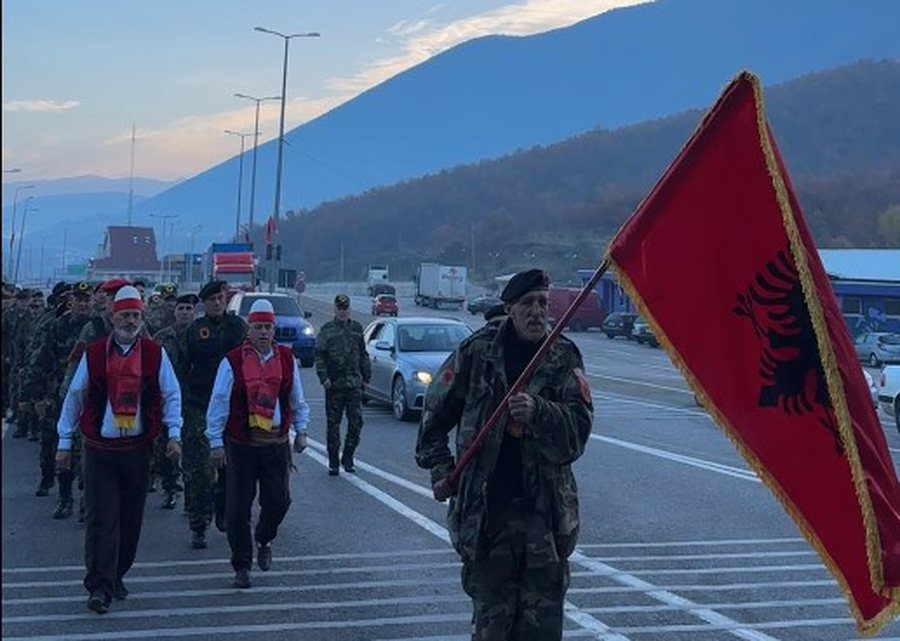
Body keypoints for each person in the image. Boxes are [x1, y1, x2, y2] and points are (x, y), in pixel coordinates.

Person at [415, 269, 593, 640]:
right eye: (527, 303)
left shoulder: (562, 356)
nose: (536, 312)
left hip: (544, 521)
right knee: (491, 628)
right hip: (488, 519)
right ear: (510, 308)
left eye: (543, 303)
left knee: (542, 630)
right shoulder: (477, 352)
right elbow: (433, 418)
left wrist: (540, 411)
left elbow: (578, 434)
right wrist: (440, 469)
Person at [56, 285, 182, 614]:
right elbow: (75, 397)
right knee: (102, 518)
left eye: (135, 315)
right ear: (113, 318)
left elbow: (171, 394)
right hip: (100, 450)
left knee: (130, 519)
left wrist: (174, 434)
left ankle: (117, 573)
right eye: (124, 315)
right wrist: (64, 442)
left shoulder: (155, 354)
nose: (130, 320)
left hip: (138, 450)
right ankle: (99, 585)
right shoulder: (94, 353)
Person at [205, 299, 310, 588]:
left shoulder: (287, 359)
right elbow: (218, 402)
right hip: (241, 444)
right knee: (238, 509)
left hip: (275, 443)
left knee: (279, 501)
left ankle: (264, 538)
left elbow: (296, 398)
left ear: (273, 329)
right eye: (258, 327)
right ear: (248, 329)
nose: (263, 332)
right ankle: (241, 566)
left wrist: (301, 430)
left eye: (268, 327)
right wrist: (215, 442)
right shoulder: (232, 360)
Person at [182, 280, 246, 549]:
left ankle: (223, 507)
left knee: (233, 468)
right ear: (204, 303)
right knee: (200, 469)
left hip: (234, 408)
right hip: (200, 406)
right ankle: (199, 525)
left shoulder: (238, 328)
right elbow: (183, 367)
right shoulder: (195, 331)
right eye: (212, 299)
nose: (217, 303)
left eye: (221, 298)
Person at [314, 293, 371, 475]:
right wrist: (324, 378)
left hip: (354, 384)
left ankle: (348, 457)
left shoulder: (356, 328)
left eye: (345, 308)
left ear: (349, 309)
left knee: (356, 423)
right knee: (333, 425)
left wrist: (366, 376)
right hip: (334, 385)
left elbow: (363, 354)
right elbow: (319, 355)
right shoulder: (327, 330)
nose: (343, 312)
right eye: (340, 308)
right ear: (335, 309)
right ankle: (333, 463)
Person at [150, 292, 197, 509]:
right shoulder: (161, 337)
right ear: (174, 312)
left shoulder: (200, 336)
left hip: (193, 400)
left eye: (189, 309)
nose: (185, 313)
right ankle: (169, 488)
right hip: (166, 400)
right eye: (181, 309)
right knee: (165, 447)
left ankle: (191, 495)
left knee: (193, 449)